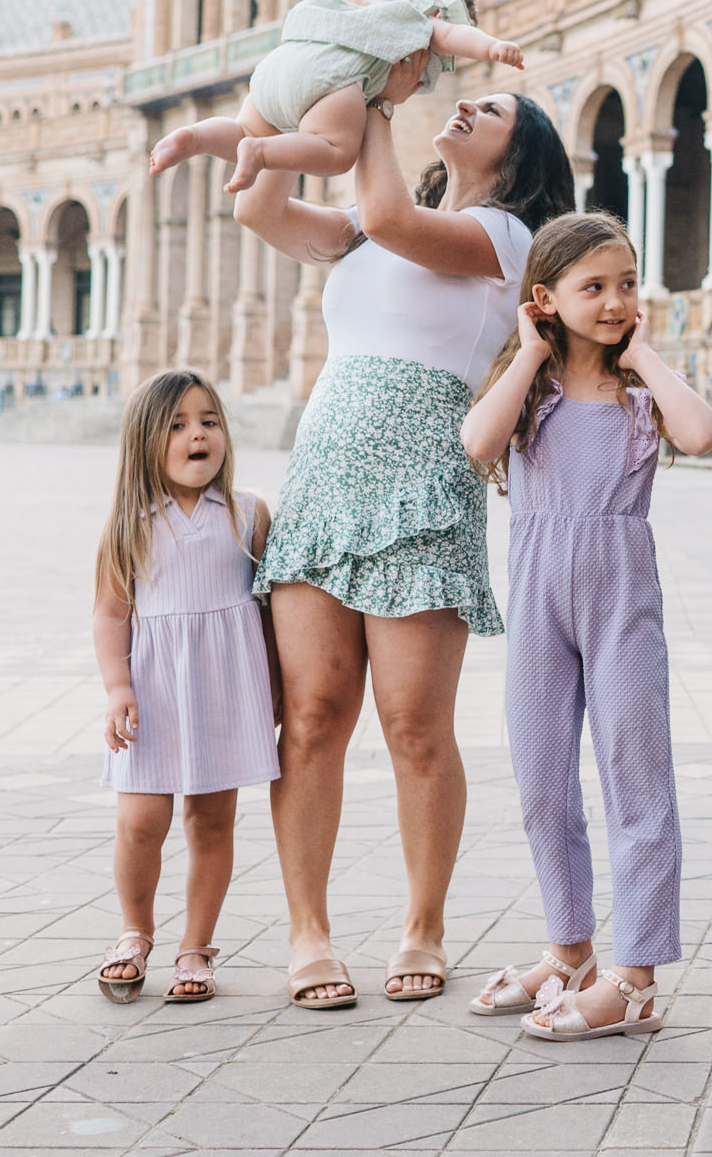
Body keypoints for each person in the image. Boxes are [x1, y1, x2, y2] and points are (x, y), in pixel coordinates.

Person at [232, 91, 573, 1009]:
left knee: (414, 727)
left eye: (489, 107)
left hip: (423, 478)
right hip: (325, 472)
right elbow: (257, 205)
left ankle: (423, 923)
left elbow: (385, 209)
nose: (461, 106)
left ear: (524, 147)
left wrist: (376, 91)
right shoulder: (370, 228)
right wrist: (304, 87)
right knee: (309, 717)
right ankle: (309, 932)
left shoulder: (507, 240)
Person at [459, 211, 712, 1041]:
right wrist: (532, 349)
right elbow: (474, 444)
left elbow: (703, 434)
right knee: (541, 784)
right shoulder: (531, 390)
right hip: (539, 600)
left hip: (621, 603)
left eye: (627, 285)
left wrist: (641, 351)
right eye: (593, 288)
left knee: (636, 781)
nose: (614, 302)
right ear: (545, 297)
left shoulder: (638, 393)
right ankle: (569, 950)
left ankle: (635, 976)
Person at [91, 369, 279, 1006]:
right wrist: (117, 685)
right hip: (154, 692)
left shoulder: (249, 513)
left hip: (225, 689)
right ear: (146, 441)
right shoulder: (130, 522)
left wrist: (276, 685)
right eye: (177, 425)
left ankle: (197, 944)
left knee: (212, 822)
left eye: (208, 421)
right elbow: (110, 613)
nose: (197, 435)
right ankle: (134, 930)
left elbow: (269, 607)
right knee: (140, 821)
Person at [149, 0, 525, 193]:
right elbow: (454, 36)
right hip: (331, 82)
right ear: (441, 12)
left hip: (281, 68)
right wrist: (493, 47)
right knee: (335, 152)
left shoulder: (369, 15)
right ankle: (259, 152)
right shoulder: (420, 22)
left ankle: (194, 137)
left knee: (242, 130)